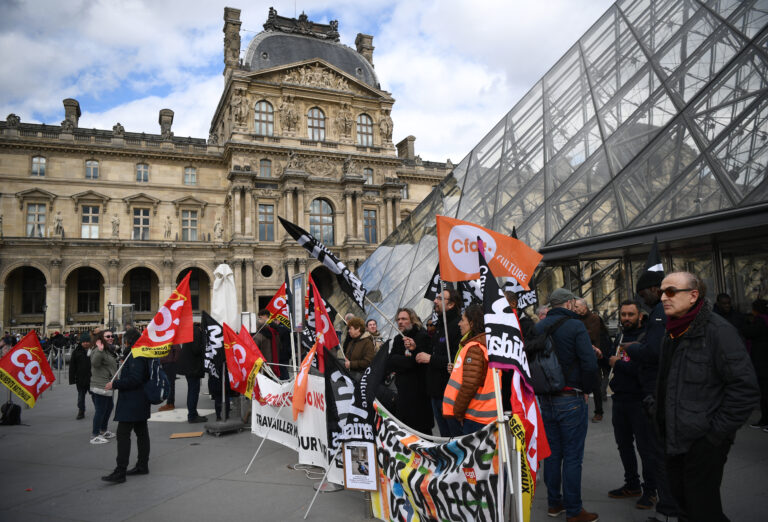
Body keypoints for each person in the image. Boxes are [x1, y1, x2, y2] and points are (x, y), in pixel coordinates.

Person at [656, 272, 758, 522]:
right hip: (673, 439)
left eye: (670, 291)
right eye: (661, 291)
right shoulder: (671, 331)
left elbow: (744, 390)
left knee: (703, 509)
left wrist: (713, 436)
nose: (662, 297)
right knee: (683, 505)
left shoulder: (718, 331)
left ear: (693, 296)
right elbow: (669, 382)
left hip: (703, 442)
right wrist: (654, 408)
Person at [536, 288, 599, 522]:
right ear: (569, 303)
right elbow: (589, 364)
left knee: (552, 454)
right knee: (573, 456)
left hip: (546, 398)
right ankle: (574, 510)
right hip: (571, 396)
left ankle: (554, 504)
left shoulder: (539, 326)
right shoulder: (575, 326)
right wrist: (589, 390)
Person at [625, 269, 679, 522]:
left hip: (657, 392)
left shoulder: (659, 314)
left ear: (655, 289)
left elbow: (655, 352)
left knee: (657, 453)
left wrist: (635, 349)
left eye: (642, 293)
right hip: (662, 391)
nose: (642, 299)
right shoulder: (663, 313)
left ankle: (667, 509)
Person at [606, 300, 658, 510]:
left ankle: (651, 491)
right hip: (620, 399)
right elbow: (611, 360)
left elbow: (641, 369)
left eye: (630, 314)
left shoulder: (646, 337)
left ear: (640, 316)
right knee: (624, 446)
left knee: (646, 449)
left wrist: (618, 363)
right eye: (623, 314)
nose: (626, 318)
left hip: (639, 401)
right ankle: (632, 484)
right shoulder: (619, 336)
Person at [102, 328, 151, 483]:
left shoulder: (136, 353)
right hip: (140, 400)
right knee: (142, 433)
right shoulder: (138, 352)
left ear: (129, 340)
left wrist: (115, 384)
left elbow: (135, 379)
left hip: (132, 401)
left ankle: (120, 470)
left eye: (124, 339)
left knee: (123, 434)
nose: (123, 342)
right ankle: (142, 465)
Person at [416, 288, 461, 437]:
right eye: (436, 298)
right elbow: (434, 351)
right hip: (436, 391)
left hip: (448, 392)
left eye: (440, 298)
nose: (435, 301)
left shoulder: (457, 326)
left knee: (453, 436)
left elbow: (455, 359)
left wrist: (431, 359)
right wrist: (416, 347)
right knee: (444, 436)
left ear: (451, 304)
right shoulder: (440, 325)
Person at [443, 304, 494, 436]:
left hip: (476, 417)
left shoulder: (475, 348)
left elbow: (470, 385)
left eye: (462, 320)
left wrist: (458, 413)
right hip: (483, 415)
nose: (459, 324)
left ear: (471, 323)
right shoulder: (483, 344)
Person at [386, 308, 433, 434]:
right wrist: (406, 361)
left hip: (419, 394)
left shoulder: (421, 335)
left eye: (404, 319)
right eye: (398, 319)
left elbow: (417, 361)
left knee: (423, 433)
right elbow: (391, 361)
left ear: (412, 320)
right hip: (403, 392)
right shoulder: (397, 339)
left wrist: (404, 360)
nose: (400, 322)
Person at [573, 298, 611, 423]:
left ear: (584, 307)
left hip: (595, 355)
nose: (575, 309)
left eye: (577, 307)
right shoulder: (577, 319)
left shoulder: (594, 318)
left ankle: (598, 411)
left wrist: (578, 333)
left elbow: (593, 335)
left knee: (596, 384)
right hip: (582, 354)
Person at [89, 330, 118, 444]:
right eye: (108, 336)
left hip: (108, 385)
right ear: (101, 339)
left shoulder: (107, 350)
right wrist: (100, 350)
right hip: (100, 385)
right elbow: (95, 364)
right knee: (100, 411)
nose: (111, 338)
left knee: (109, 407)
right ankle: (95, 435)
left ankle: (103, 430)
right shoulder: (98, 350)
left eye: (112, 336)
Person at [743, 298, 768, 429]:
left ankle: (765, 420)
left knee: (764, 392)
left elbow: (749, 333)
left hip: (761, 360)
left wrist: (747, 323)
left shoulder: (759, 320)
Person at [177, 324, 208, 424]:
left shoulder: (190, 331)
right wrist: (204, 343)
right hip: (193, 368)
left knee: (192, 390)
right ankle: (192, 415)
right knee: (193, 391)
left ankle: (193, 413)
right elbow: (197, 349)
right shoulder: (196, 332)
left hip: (189, 367)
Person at [69, 331, 92, 420]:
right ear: (81, 342)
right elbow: (72, 366)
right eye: (84, 342)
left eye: (87, 341)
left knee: (95, 396)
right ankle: (81, 411)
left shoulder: (93, 350)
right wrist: (72, 379)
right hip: (80, 378)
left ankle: (99, 410)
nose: (86, 343)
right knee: (81, 397)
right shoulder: (76, 352)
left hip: (91, 378)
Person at [255, 309, 282, 379]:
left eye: (260, 318)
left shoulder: (258, 335)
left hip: (263, 365)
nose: (259, 319)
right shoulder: (274, 332)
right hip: (272, 363)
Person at [157, 344, 180, 412]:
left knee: (170, 383)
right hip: (167, 362)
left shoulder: (171, 337)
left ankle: (170, 403)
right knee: (170, 383)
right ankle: (170, 403)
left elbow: (178, 349)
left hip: (169, 363)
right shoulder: (169, 337)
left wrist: (173, 360)